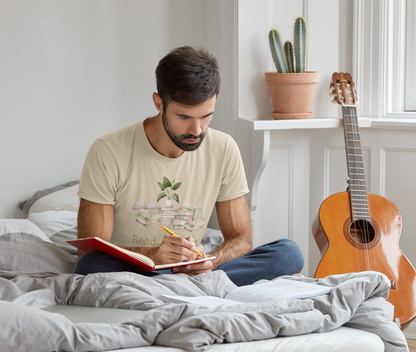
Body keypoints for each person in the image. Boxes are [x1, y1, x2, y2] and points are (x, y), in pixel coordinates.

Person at [73, 46, 304, 286]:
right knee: (90, 265)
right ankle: (201, 288)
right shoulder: (108, 151)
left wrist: (211, 261)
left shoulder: (224, 148)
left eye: (206, 116)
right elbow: (89, 252)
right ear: (158, 102)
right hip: (136, 269)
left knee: (289, 253)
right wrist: (153, 256)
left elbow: (241, 239)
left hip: (196, 274)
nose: (197, 130)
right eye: (184, 117)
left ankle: (194, 284)